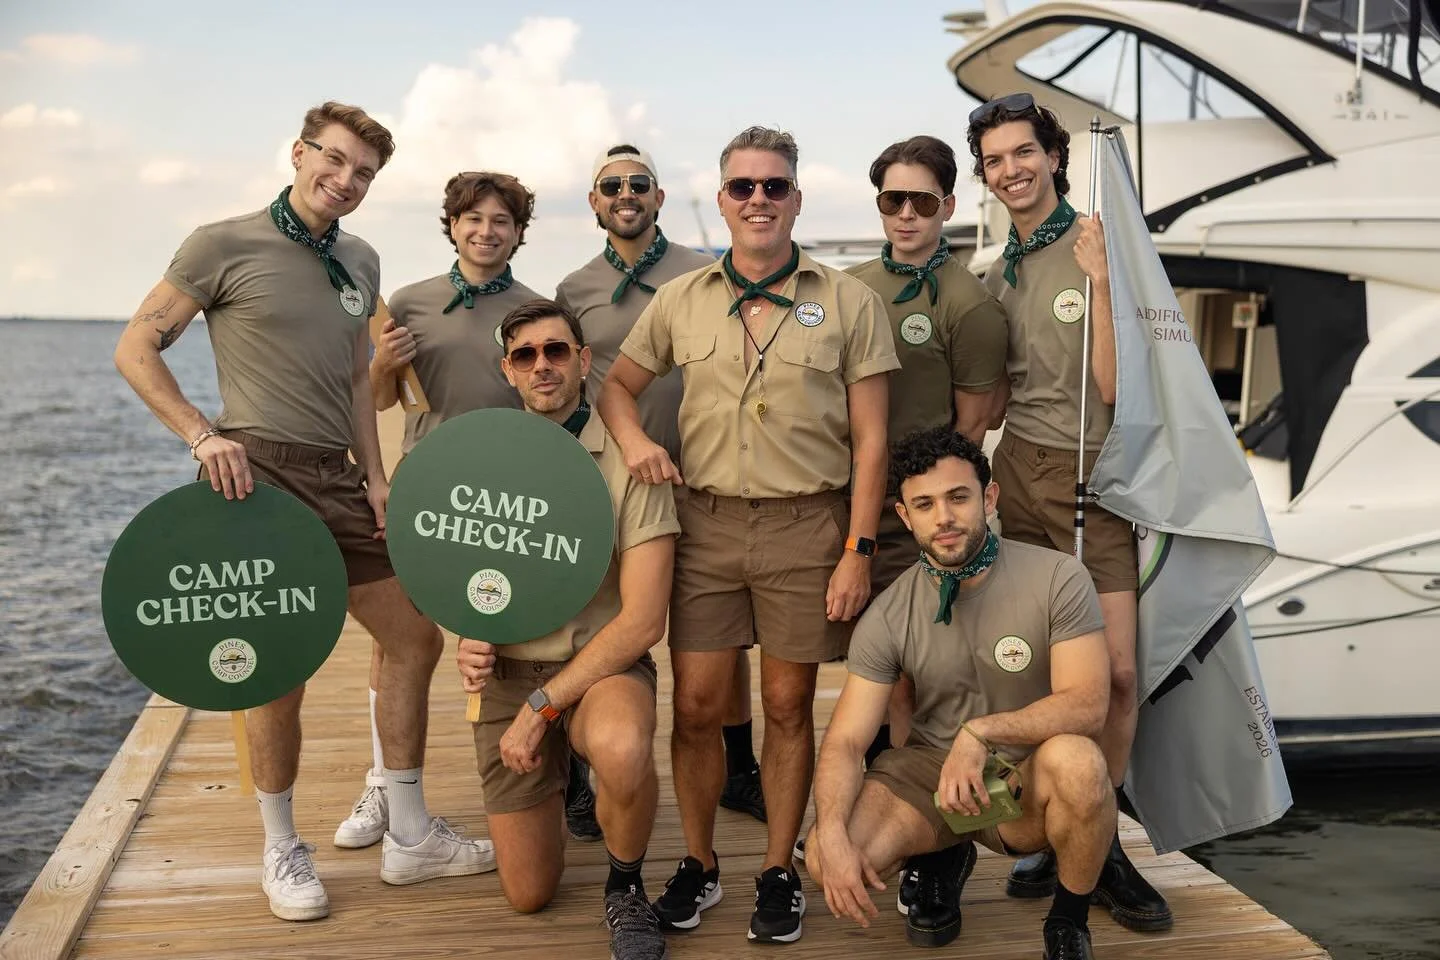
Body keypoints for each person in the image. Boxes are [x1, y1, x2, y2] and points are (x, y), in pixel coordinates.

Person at [113, 101, 494, 922]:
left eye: (364, 172)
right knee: (277, 668)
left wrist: (379, 476)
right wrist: (199, 434)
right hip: (258, 476)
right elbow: (134, 348)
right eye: (336, 160)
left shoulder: (359, 258)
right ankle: (281, 846)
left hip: (342, 477)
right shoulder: (222, 243)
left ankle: (410, 833)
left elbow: (359, 377)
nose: (346, 180)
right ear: (299, 152)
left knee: (412, 636)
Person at [599, 125, 899, 944]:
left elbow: (873, 441)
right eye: (743, 188)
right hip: (704, 524)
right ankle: (699, 864)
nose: (758, 200)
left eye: (774, 187)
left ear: (796, 199)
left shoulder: (847, 301)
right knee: (697, 706)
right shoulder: (682, 297)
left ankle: (777, 870)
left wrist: (858, 550)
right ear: (723, 199)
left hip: (808, 526)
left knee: (787, 704)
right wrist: (635, 444)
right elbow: (618, 389)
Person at [967, 93, 1173, 931]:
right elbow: (991, 398)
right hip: (1018, 475)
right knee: (1028, 671)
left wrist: (1100, 281)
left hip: (1098, 478)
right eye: (993, 161)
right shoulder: (990, 276)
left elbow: (1123, 391)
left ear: (1052, 155)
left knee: (1117, 677)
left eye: (1023, 152)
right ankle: (1052, 833)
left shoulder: (1099, 245)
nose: (1010, 170)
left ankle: (1107, 842)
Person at [804, 427, 1113, 959]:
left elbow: (1088, 703)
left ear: (988, 499)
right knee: (824, 855)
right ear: (905, 517)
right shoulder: (888, 613)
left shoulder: (1058, 576)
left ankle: (1067, 922)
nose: (943, 517)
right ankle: (943, 848)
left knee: (1081, 763)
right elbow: (847, 742)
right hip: (932, 774)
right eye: (924, 504)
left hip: (1023, 773)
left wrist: (982, 733)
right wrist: (829, 828)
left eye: (958, 497)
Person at [456, 298, 678, 960]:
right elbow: (463, 570)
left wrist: (544, 706)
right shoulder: (485, 456)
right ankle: (565, 781)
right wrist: (467, 634)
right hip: (508, 676)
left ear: (583, 361)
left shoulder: (630, 463)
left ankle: (626, 887)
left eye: (557, 351)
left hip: (598, 669)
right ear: (508, 370)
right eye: (525, 355)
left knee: (621, 748)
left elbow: (642, 621)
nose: (542, 365)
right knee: (528, 893)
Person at [556, 144, 765, 827]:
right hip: (610, 485)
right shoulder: (575, 288)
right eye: (611, 185)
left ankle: (739, 768)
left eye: (638, 183)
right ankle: (585, 766)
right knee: (600, 620)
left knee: (719, 632)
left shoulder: (706, 272)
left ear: (659, 197)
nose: (625, 193)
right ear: (594, 202)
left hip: (701, 476)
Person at [334, 170, 542, 850]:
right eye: (473, 218)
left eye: (501, 221)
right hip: (427, 495)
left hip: (508, 497)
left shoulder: (535, 308)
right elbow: (385, 401)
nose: (486, 231)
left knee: (511, 637)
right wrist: (385, 364)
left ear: (518, 231)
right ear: (452, 225)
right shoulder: (408, 303)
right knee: (400, 643)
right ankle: (381, 784)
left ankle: (546, 768)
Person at [845, 134, 1008, 754]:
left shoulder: (971, 306)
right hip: (851, 507)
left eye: (921, 201)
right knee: (866, 671)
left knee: (918, 674)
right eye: (893, 201)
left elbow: (971, 429)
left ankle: (926, 824)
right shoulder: (850, 289)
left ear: (947, 205)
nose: (906, 215)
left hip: (916, 519)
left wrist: (924, 514)